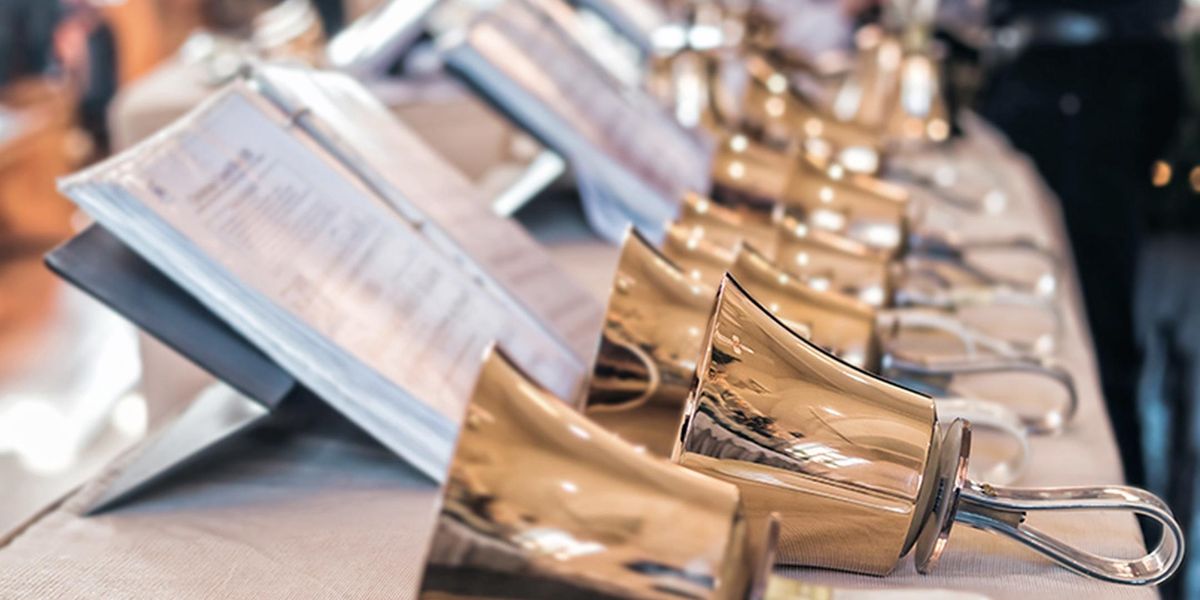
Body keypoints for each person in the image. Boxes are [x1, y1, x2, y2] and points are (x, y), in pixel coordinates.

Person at [979, 0, 1185, 490]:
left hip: (1088, 84)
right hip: (1081, 80)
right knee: (1041, 308)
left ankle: (1126, 531)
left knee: (1093, 329)